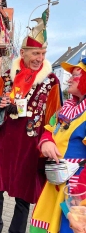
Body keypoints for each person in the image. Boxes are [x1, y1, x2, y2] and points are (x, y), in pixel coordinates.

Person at [0, 8, 62, 233]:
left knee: (23, 197)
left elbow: (54, 118)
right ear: (23, 53)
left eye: (43, 54)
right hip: (4, 142)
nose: (39, 59)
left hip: (29, 146)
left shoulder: (51, 81)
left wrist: (48, 142)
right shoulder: (8, 76)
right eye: (35, 53)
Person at [30, 61, 86, 233]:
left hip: (75, 189)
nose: (69, 80)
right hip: (56, 181)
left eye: (75, 75)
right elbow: (48, 129)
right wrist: (46, 141)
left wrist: (80, 192)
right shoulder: (67, 107)